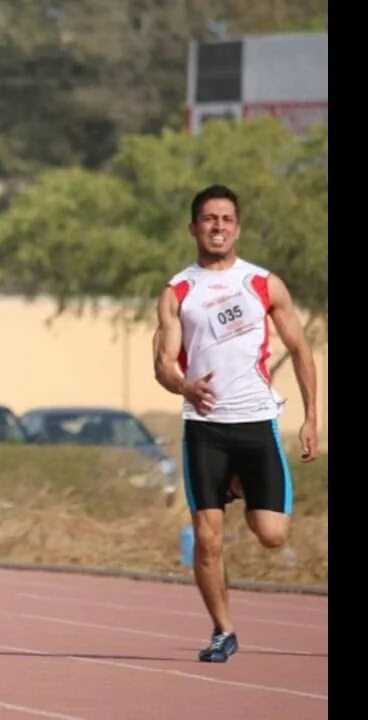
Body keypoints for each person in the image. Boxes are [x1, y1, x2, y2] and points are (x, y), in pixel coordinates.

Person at [153, 184, 319, 664]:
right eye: (209, 219)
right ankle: (223, 630)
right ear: (194, 228)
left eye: (226, 219)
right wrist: (183, 386)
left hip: (257, 423)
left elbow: (301, 350)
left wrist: (311, 418)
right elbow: (164, 363)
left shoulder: (265, 284)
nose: (218, 227)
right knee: (207, 538)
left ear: (237, 227)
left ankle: (243, 484)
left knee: (272, 535)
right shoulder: (178, 291)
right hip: (206, 429)